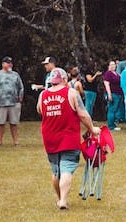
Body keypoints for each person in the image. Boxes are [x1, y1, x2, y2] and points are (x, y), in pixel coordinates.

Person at [37, 67, 101, 210]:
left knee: (56, 171)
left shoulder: (43, 95)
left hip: (50, 138)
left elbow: (40, 110)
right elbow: (83, 115)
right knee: (66, 169)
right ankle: (64, 200)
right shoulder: (71, 93)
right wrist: (92, 129)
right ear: (65, 79)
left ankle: (59, 198)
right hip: (69, 138)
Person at [0, 56, 24, 146]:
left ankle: (16, 141)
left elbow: (21, 87)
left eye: (11, 63)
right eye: (8, 63)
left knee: (14, 123)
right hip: (1, 103)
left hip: (14, 102)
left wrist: (20, 97)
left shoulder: (15, 75)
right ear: (3, 64)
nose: (10, 65)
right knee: (0, 123)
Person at [102, 60, 124, 131]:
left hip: (118, 94)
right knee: (112, 109)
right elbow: (106, 84)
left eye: (114, 65)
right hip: (113, 94)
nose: (113, 66)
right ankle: (110, 126)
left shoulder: (116, 74)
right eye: (111, 65)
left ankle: (113, 124)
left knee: (115, 110)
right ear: (108, 66)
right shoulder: (108, 74)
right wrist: (109, 94)